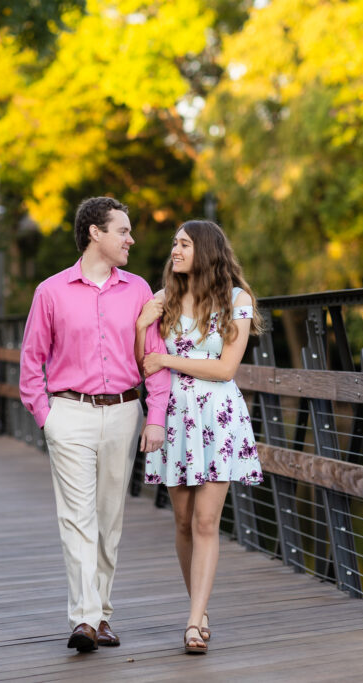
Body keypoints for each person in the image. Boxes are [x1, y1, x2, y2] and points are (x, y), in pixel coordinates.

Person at [19, 196, 171, 652]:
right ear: (95, 233)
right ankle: (84, 620)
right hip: (69, 415)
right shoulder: (51, 291)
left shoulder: (140, 290)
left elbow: (155, 359)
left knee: (109, 520)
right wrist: (47, 418)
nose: (131, 238)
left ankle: (102, 613)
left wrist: (155, 417)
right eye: (123, 230)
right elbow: (31, 363)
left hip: (125, 413)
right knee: (77, 519)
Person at [135, 219, 263, 654]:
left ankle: (193, 622)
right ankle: (200, 608)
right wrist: (140, 330)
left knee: (208, 521)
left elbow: (225, 369)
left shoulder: (236, 301)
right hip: (173, 417)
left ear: (205, 249)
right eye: (174, 243)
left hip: (218, 418)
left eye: (184, 244)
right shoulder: (161, 299)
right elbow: (145, 364)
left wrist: (169, 358)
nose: (175, 250)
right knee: (184, 521)